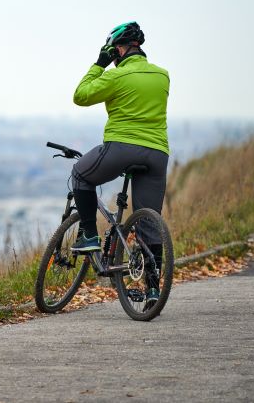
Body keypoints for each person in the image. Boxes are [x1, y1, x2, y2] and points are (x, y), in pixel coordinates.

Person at [69, 21, 170, 303]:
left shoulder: (116, 76)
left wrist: (100, 63)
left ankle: (89, 235)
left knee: (80, 174)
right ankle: (152, 290)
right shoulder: (163, 75)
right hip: (157, 154)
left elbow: (81, 95)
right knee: (149, 222)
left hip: (122, 148)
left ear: (117, 49)